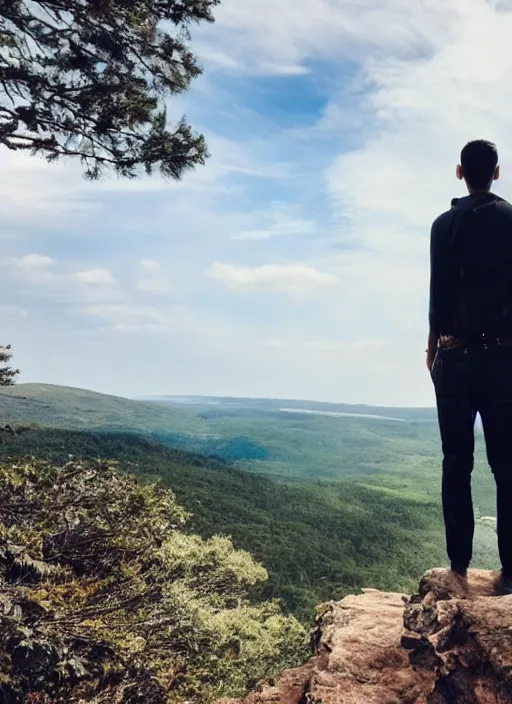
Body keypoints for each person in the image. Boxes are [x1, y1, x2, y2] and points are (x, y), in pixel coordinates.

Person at [427, 140, 512, 593]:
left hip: (454, 357)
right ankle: (510, 572)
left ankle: (458, 567)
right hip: (503, 359)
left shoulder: (443, 226)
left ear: (460, 172)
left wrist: (432, 347)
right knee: (508, 466)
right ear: (496, 172)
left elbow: (437, 290)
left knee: (457, 462)